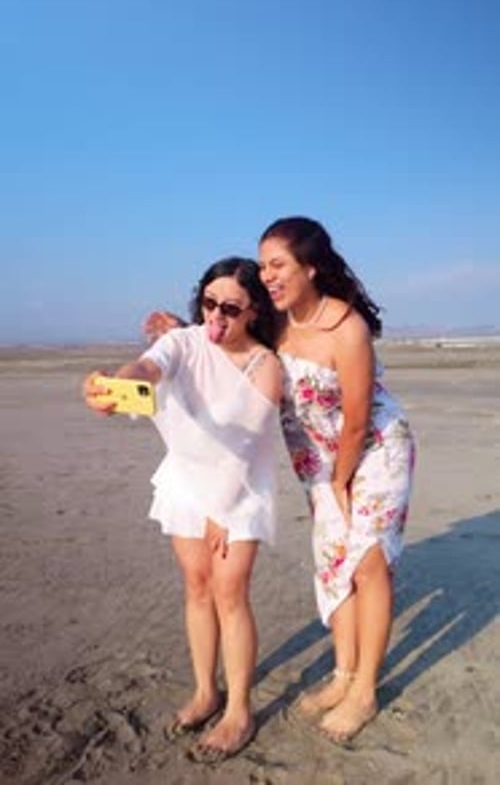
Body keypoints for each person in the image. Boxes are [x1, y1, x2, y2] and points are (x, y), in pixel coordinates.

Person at [145, 216, 415, 744]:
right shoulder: (277, 320)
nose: (267, 275)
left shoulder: (347, 327)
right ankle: (341, 676)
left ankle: (364, 690)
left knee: (367, 564)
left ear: (310, 267)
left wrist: (342, 482)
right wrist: (179, 325)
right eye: (263, 264)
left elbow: (359, 416)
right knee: (334, 564)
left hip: (375, 450)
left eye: (278, 265)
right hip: (319, 461)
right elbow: (226, 334)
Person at [83, 257, 282, 763]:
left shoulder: (265, 366)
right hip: (188, 479)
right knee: (197, 585)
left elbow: (247, 443)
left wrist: (222, 510)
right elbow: (148, 369)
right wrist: (113, 387)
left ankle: (238, 708)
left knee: (229, 591)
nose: (216, 316)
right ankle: (204, 692)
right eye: (209, 303)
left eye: (231, 308)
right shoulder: (185, 342)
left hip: (238, 486)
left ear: (253, 311)